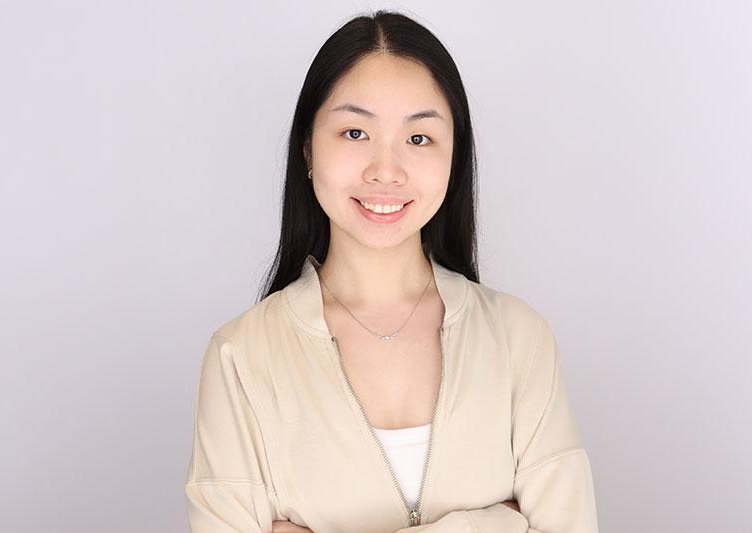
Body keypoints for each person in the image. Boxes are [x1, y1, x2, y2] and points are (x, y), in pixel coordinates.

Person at [184, 10, 599, 533]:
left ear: (454, 157)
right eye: (355, 132)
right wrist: (501, 524)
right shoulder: (239, 358)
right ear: (309, 148)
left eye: (419, 138)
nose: (386, 169)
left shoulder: (519, 339)